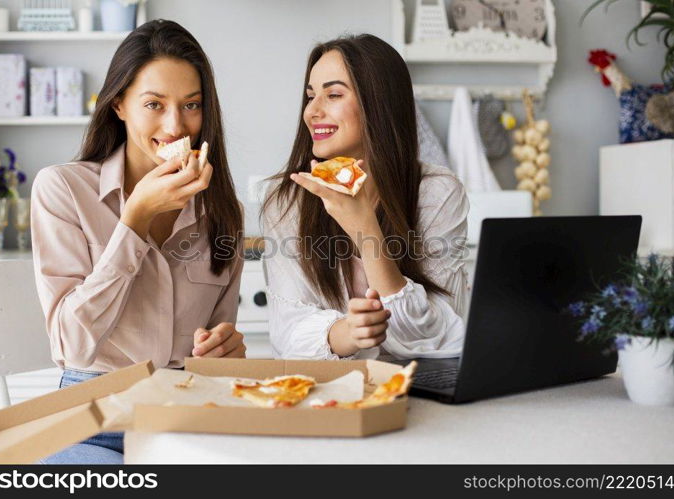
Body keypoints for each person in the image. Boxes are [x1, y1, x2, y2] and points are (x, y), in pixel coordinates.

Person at [31, 20, 245, 464]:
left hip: (189, 415)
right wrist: (135, 221)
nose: (176, 125)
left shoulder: (223, 212)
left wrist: (227, 349)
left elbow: (219, 344)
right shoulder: (63, 189)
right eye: (154, 104)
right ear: (119, 105)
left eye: (192, 105)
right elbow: (71, 345)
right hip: (93, 419)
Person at [262, 34, 468, 361]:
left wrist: (365, 230)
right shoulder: (286, 201)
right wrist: (349, 332)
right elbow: (289, 334)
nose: (312, 111)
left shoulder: (436, 191)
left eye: (333, 94)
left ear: (378, 103)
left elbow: (436, 334)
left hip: (423, 386)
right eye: (310, 96)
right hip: (330, 393)